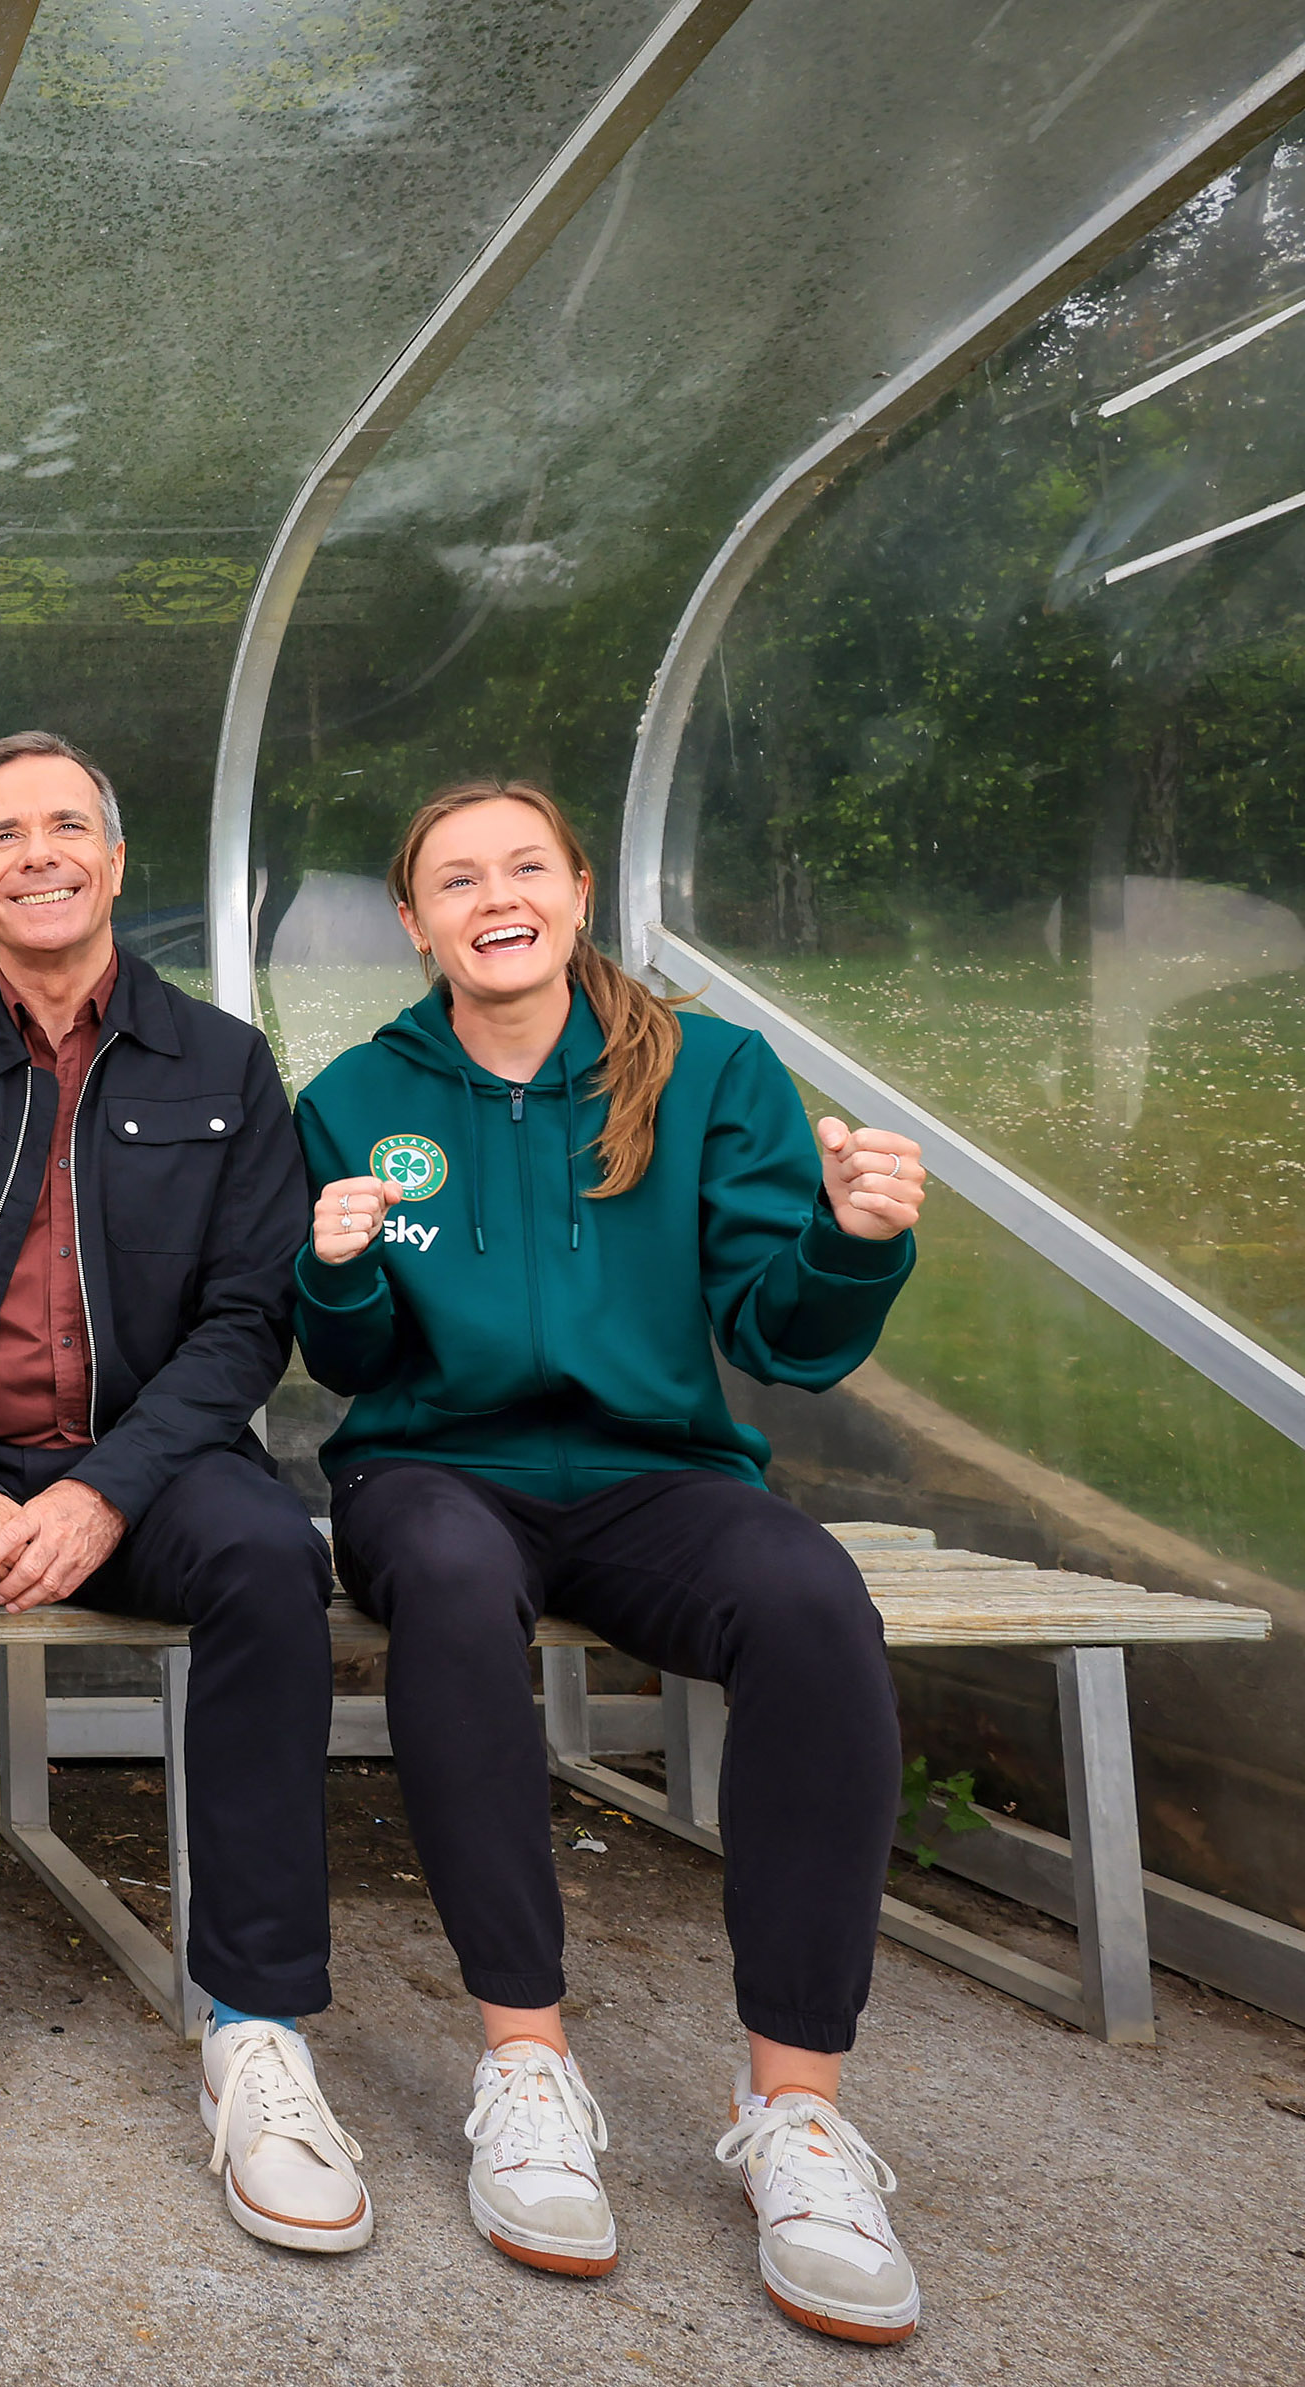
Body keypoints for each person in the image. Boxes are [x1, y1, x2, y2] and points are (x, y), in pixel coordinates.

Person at [296, 778, 931, 2344]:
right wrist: (340, 1270)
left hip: (659, 1473)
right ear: (414, 920)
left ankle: (797, 2111)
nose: (495, 896)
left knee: (809, 1596)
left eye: (525, 865)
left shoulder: (712, 1071)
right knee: (450, 1582)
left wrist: (854, 1236)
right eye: (458, 877)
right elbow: (349, 1360)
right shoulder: (359, 1093)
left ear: (580, 890)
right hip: (435, 1468)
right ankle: (527, 2065)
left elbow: (781, 1332)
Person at [0, 731, 365, 2252]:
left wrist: (105, 1492)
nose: (36, 854)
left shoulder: (224, 1063)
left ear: (111, 857)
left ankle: (254, 2022)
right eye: (2, 835)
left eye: (63, 827)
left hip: (148, 1463)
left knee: (269, 1560)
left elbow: (249, 1317)